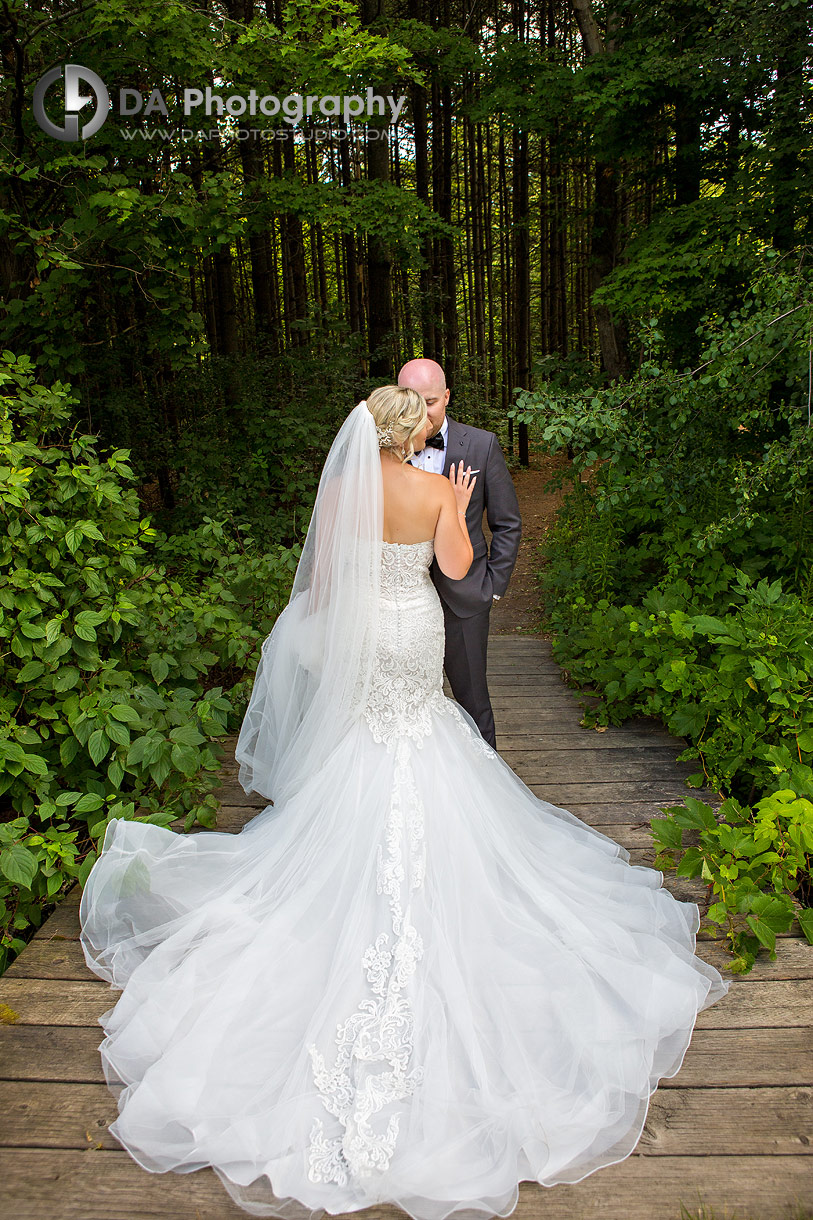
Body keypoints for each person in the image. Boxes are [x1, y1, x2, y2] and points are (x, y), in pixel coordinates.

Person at [79, 388, 730, 1220]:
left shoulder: (345, 490)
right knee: (423, 732)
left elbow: (322, 576)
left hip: (366, 636)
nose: (432, 422)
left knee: (370, 743)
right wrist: (453, 509)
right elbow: (456, 571)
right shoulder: (432, 488)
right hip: (413, 629)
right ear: (406, 431)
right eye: (421, 418)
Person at [398, 358, 521, 748]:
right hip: (400, 603)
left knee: (472, 701)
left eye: (430, 401)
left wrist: (493, 587)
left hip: (465, 598)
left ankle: (489, 793)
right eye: (411, 401)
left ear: (447, 396)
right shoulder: (380, 451)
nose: (421, 413)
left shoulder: (482, 445)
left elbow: (507, 523)